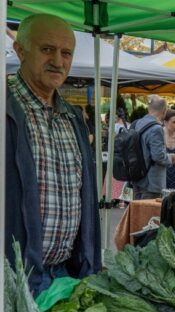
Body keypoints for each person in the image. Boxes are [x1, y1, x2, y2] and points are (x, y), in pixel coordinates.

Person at [5, 14, 101, 295]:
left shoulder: (72, 117)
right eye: (47, 49)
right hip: (14, 279)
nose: (58, 61)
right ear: (20, 50)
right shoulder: (7, 109)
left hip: (66, 276)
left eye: (66, 52)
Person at [132, 95, 175, 199]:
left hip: (137, 178)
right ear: (165, 111)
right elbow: (158, 156)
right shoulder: (156, 128)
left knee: (138, 213)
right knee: (150, 214)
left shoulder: (137, 123)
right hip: (151, 183)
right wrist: (171, 158)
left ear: (148, 109)